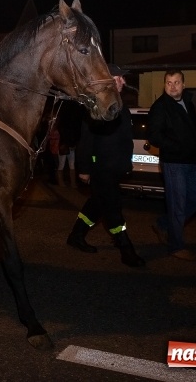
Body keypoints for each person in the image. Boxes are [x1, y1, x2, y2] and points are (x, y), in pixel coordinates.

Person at [66, 64, 145, 267]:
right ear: (108, 79)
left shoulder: (120, 105)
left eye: (123, 79)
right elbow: (87, 138)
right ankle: (125, 248)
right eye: (119, 78)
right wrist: (83, 167)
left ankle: (76, 236)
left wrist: (126, 164)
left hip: (115, 167)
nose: (123, 82)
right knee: (112, 207)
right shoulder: (97, 105)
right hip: (101, 167)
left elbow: (124, 139)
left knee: (97, 203)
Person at [146, 69, 196, 261]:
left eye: (176, 82)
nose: (172, 86)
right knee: (177, 205)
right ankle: (176, 246)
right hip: (174, 163)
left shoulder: (188, 102)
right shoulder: (160, 106)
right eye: (169, 83)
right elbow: (155, 136)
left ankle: (164, 224)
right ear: (164, 85)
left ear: (184, 84)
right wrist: (179, 146)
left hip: (191, 161)